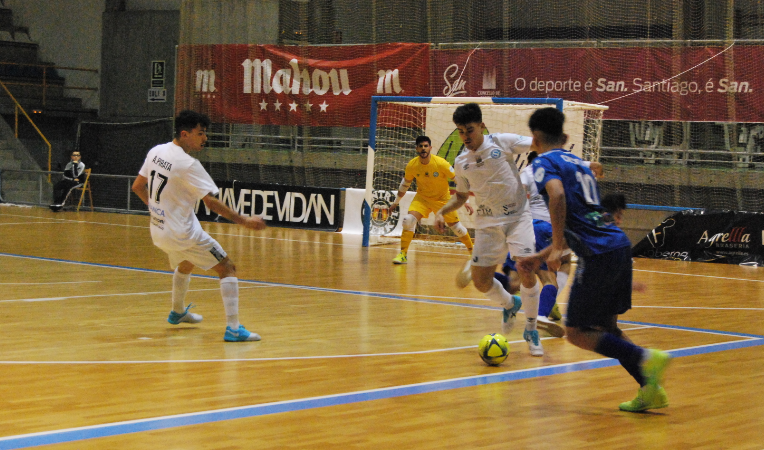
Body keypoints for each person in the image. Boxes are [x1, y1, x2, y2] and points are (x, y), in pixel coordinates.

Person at [519, 107, 671, 412]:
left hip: (598, 254)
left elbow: (557, 196)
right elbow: (583, 221)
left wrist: (556, 247)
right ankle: (650, 389)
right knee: (607, 328)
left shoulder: (544, 163)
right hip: (618, 245)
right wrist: (542, 255)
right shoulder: (579, 163)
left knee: (576, 332)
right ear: (563, 135)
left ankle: (644, 357)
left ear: (535, 138)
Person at [435, 102, 563, 357]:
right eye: (461, 132)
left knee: (526, 270)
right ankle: (510, 303)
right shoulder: (461, 162)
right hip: (487, 223)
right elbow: (461, 196)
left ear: (481, 126)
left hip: (518, 218)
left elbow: (537, 144)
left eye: (469, 130)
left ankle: (531, 329)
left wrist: (576, 163)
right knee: (481, 282)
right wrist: (441, 211)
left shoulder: (501, 142)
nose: (465, 137)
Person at [131, 110, 267, 342]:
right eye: (200, 133)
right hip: (182, 234)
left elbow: (137, 186)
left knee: (186, 262)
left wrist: (157, 210)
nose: (205, 138)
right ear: (185, 134)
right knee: (227, 267)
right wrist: (244, 221)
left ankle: (177, 312)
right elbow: (211, 202)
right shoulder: (188, 164)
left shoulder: (157, 151)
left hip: (159, 230)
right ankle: (234, 329)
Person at [389, 136, 474, 264]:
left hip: (442, 200)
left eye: (425, 146)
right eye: (420, 146)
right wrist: (395, 203)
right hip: (422, 199)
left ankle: (472, 252)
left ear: (430, 148)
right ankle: (403, 254)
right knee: (408, 220)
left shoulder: (441, 163)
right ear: (417, 149)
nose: (423, 149)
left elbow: (459, 181)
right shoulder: (412, 165)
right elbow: (405, 185)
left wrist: (466, 202)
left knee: (457, 228)